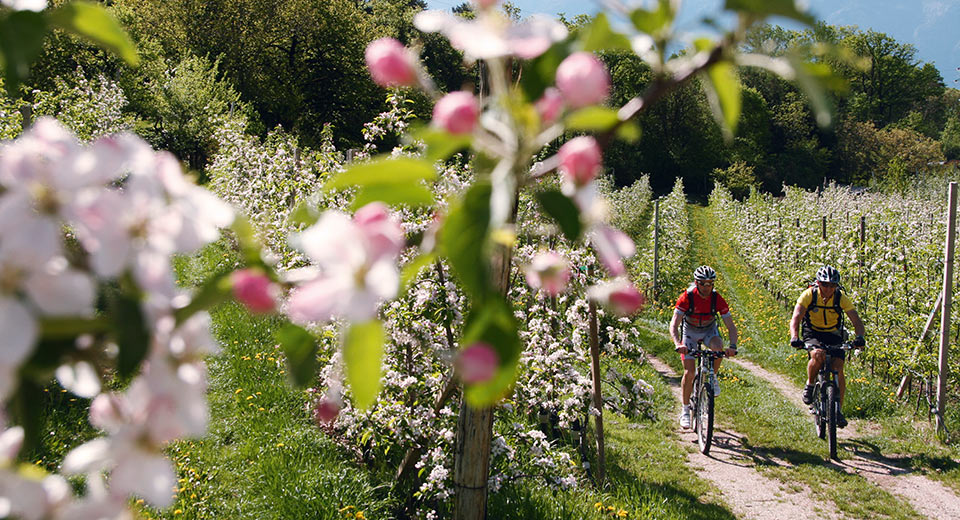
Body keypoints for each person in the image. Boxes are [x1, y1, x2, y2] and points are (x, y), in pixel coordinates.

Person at [789, 265, 865, 428]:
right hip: (813, 332)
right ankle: (810, 385)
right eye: (825, 284)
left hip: (833, 333)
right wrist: (794, 336)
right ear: (818, 283)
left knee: (838, 367)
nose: (829, 289)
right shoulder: (809, 295)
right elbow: (796, 317)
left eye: (832, 285)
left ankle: (838, 410)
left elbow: (856, 320)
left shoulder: (840, 297)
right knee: (817, 355)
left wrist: (860, 337)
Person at [670, 265, 738, 429]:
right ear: (696, 283)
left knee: (718, 347)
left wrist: (733, 346)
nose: (707, 287)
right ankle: (685, 410)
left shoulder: (717, 299)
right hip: (690, 332)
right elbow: (674, 324)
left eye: (710, 284)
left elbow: (731, 326)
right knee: (690, 372)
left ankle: (713, 376)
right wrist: (678, 343)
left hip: (709, 330)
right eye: (703, 283)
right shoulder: (687, 297)